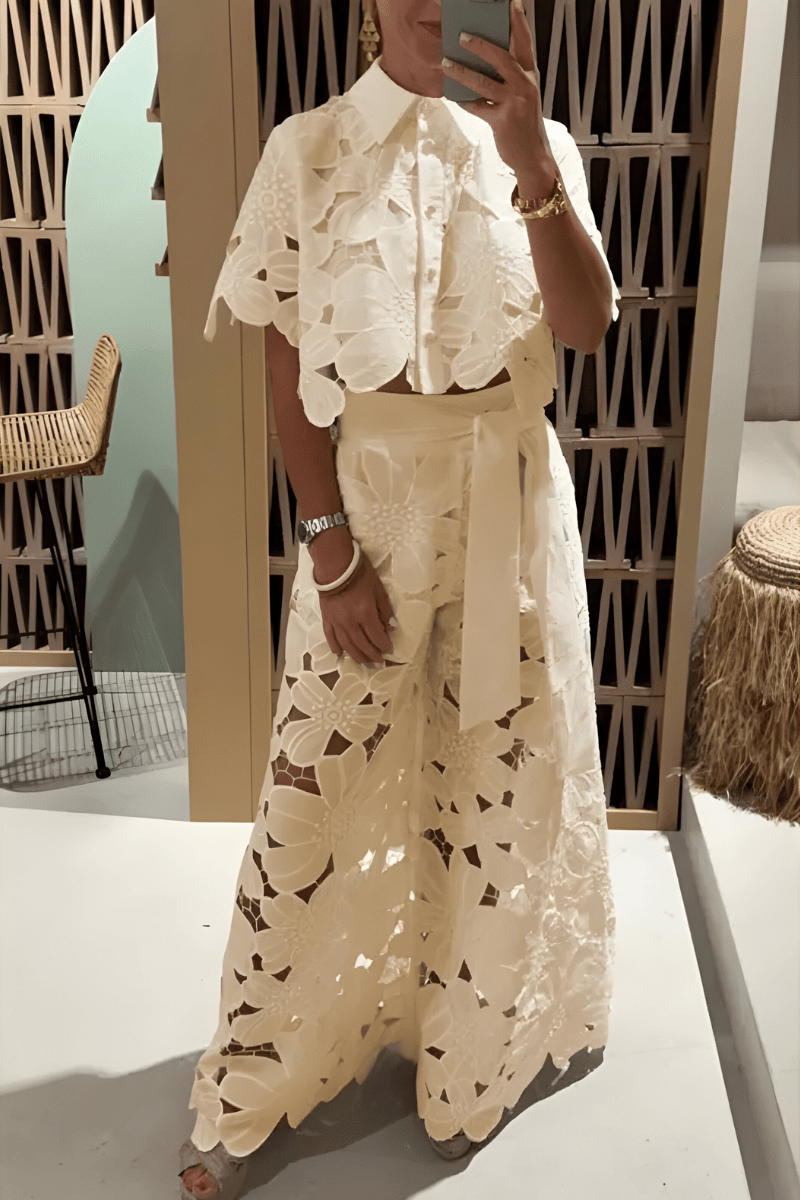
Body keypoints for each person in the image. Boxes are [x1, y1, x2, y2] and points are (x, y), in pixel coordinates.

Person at [178, 1, 620, 1195]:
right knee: (313, 794)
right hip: (370, 511)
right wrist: (327, 547)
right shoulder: (306, 149)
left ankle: (468, 1058)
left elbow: (583, 326)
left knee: (498, 781)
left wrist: (530, 164)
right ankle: (258, 1079)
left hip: (510, 506)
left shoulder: (539, 143)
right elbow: (282, 362)